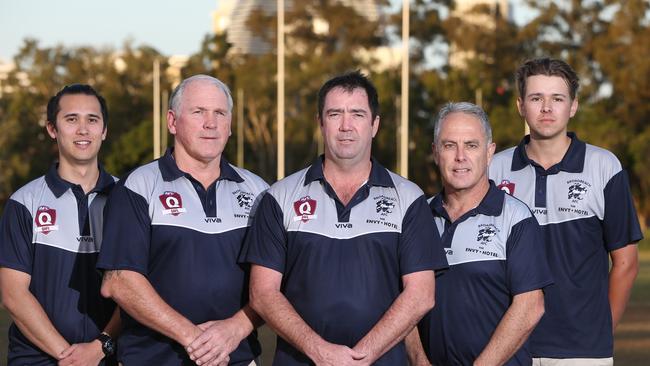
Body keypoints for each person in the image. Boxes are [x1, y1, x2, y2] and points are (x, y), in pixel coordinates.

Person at [241, 70, 448, 365]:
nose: (346, 126)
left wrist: (362, 357)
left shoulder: (408, 198)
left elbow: (421, 295)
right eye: (335, 114)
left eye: (358, 114)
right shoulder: (280, 196)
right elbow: (262, 293)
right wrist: (320, 351)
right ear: (320, 123)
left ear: (375, 125)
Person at [97, 75, 268, 366]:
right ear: (173, 122)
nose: (210, 123)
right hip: (152, 359)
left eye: (220, 113)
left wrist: (233, 330)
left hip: (234, 357)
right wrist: (194, 339)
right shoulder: (138, 186)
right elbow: (118, 282)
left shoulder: (259, 191)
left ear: (229, 126)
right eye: (198, 112)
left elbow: (274, 285)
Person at [489, 58, 643, 365]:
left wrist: (600, 331)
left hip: (583, 351)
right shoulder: (494, 168)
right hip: (510, 347)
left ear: (573, 106)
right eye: (536, 98)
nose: (547, 108)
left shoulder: (604, 166)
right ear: (521, 105)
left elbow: (626, 263)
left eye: (557, 98)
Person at [410, 102, 553, 365]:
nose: (460, 156)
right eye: (449, 145)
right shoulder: (417, 217)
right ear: (435, 152)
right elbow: (405, 301)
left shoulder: (516, 218)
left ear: (489, 153)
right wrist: (419, 360)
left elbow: (531, 307)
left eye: (472, 145)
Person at [0, 84, 120, 365]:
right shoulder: (24, 202)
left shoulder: (127, 200)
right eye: (71, 119)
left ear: (104, 130)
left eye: (92, 120)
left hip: (109, 356)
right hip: (38, 358)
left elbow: (136, 287)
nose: (83, 130)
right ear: (52, 129)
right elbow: (13, 294)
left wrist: (99, 348)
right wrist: (68, 357)